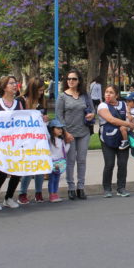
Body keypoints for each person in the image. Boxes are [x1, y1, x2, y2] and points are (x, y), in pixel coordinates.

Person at [0, 75, 24, 210]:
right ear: (3, 87)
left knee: (17, 172)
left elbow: (23, 123)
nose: (15, 85)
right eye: (11, 83)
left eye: (15, 82)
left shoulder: (18, 104)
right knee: (1, 173)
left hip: (15, 143)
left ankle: (9, 198)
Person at [55, 69, 95, 201]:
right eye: (69, 79)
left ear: (79, 81)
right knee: (71, 161)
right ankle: (71, 188)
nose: (71, 81)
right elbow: (59, 116)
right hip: (69, 133)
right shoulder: (62, 97)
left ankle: (81, 187)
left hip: (84, 132)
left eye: (74, 79)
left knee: (82, 160)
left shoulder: (85, 95)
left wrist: (91, 115)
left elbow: (92, 110)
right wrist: (65, 132)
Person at [98, 85, 134, 197]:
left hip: (122, 139)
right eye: (106, 92)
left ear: (116, 95)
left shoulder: (123, 105)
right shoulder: (102, 106)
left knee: (122, 164)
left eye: (111, 92)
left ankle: (121, 188)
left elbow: (129, 118)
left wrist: (131, 123)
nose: (108, 94)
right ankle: (107, 188)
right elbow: (111, 120)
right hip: (107, 138)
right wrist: (128, 124)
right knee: (109, 164)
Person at [18, 77, 49, 204]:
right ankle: (22, 193)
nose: (41, 93)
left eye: (43, 91)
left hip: (40, 138)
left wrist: (45, 118)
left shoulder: (42, 102)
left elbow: (44, 117)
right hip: (25, 139)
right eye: (39, 90)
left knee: (40, 166)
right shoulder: (20, 100)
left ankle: (38, 192)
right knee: (28, 167)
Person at [47, 119, 69, 202]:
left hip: (60, 162)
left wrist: (69, 143)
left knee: (57, 179)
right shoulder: (49, 140)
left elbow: (64, 151)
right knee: (52, 179)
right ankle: (51, 195)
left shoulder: (61, 140)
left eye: (61, 128)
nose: (60, 130)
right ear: (52, 129)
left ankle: (55, 194)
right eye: (58, 128)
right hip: (53, 162)